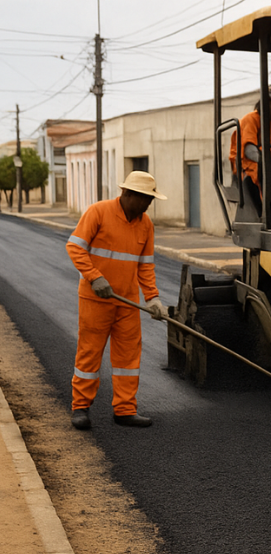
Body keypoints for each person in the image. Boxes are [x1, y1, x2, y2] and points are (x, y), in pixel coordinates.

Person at [66, 171, 169, 430]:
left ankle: (125, 410)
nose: (148, 205)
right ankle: (80, 408)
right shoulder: (98, 212)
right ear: (127, 194)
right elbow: (75, 247)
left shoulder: (146, 224)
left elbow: (145, 266)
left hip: (127, 302)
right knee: (89, 353)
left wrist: (153, 298)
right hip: (95, 299)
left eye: (150, 200)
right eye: (145, 199)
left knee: (128, 358)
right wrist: (94, 277)